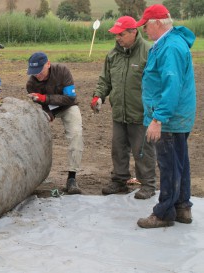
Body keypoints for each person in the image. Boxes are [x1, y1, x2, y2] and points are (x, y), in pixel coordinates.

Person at [135, 4, 196, 228]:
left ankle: (163, 213)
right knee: (180, 162)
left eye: (147, 26)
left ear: (158, 23)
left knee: (169, 165)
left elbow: (171, 85)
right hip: (177, 116)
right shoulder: (169, 43)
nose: (145, 31)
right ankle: (183, 207)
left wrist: (158, 118)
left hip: (169, 117)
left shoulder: (170, 47)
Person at [90, 16, 156, 199]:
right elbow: (105, 80)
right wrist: (98, 96)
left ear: (134, 32)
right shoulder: (113, 55)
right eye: (116, 35)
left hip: (141, 113)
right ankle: (119, 181)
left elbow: (157, 83)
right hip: (119, 112)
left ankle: (148, 185)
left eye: (121, 34)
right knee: (118, 149)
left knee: (142, 150)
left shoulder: (148, 52)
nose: (117, 38)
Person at [26, 52, 83, 194]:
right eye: (34, 72)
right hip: (48, 110)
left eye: (40, 71)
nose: (37, 75)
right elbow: (40, 106)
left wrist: (45, 98)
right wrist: (48, 112)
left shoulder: (63, 71)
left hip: (68, 107)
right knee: (35, 136)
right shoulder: (31, 83)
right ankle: (38, 174)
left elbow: (70, 98)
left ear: (48, 64)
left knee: (76, 135)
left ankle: (72, 178)